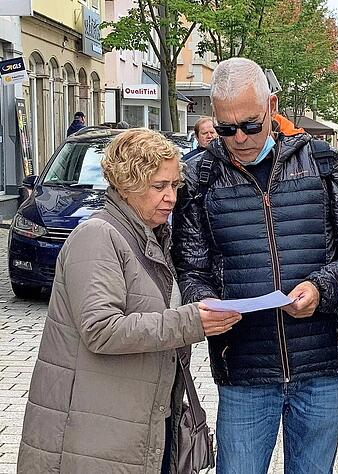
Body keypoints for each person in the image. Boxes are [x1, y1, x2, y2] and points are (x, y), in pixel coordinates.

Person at [171, 58, 338, 473]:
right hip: (244, 366)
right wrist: (204, 304)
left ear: (271, 106)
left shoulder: (323, 164)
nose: (238, 137)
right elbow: (190, 268)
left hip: (320, 363)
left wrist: (321, 288)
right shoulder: (198, 177)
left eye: (251, 125)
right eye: (226, 128)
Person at [18, 128, 242, 473]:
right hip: (92, 433)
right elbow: (101, 329)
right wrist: (191, 321)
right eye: (159, 186)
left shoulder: (150, 237)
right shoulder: (98, 236)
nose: (171, 197)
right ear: (127, 184)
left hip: (129, 423)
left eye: (174, 186)